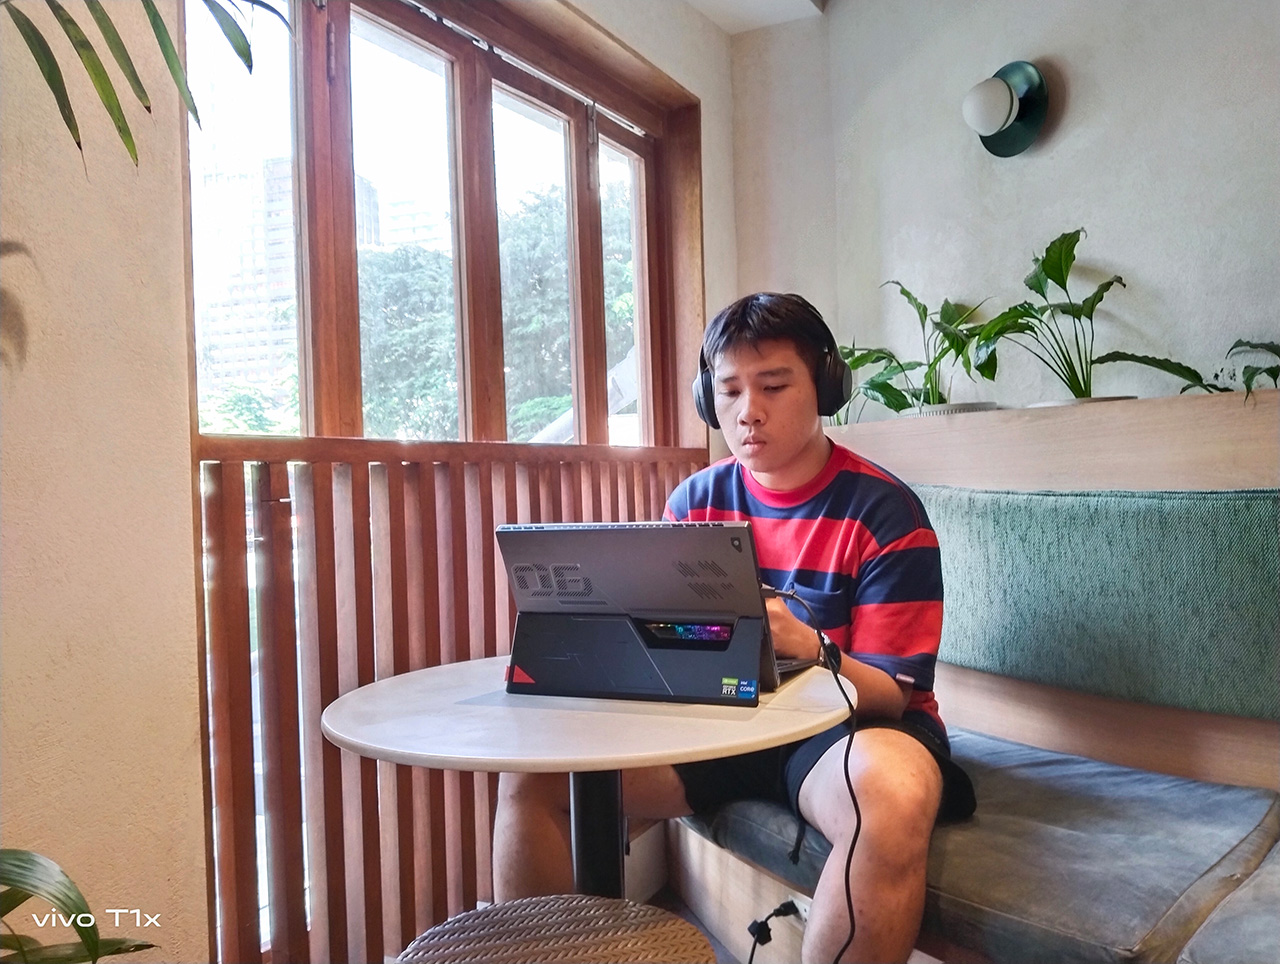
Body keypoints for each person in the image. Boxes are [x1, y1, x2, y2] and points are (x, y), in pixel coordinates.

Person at [493, 292, 975, 964]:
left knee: (891, 797)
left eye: (773, 386)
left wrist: (814, 649)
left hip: (846, 731)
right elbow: (669, 644)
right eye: (728, 390)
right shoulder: (696, 502)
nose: (748, 410)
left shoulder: (886, 514)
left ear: (824, 386)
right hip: (718, 723)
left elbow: (892, 695)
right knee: (535, 771)